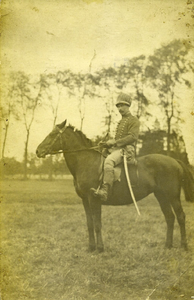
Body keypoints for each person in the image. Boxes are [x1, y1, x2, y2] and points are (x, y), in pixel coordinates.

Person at [91, 92, 140, 202]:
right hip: (117, 149)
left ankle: (105, 191)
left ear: (128, 106)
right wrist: (106, 143)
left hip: (127, 150)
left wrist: (114, 143)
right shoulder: (121, 121)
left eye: (122, 105)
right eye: (118, 106)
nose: (120, 108)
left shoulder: (134, 120)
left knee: (109, 161)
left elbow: (132, 137)